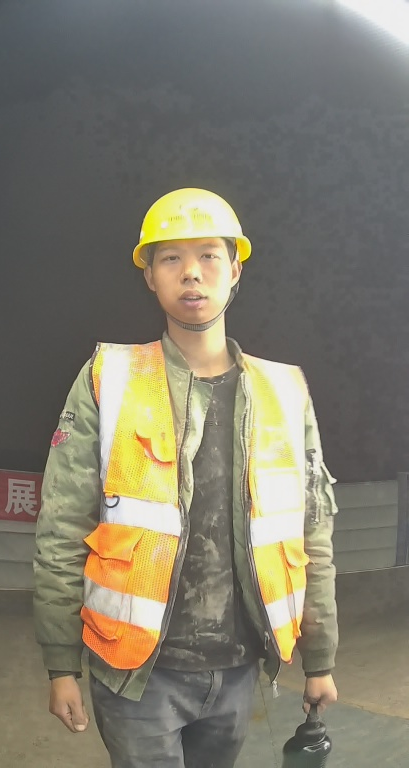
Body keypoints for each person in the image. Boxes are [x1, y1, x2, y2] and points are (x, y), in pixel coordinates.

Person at [33, 188, 338, 768]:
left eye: (209, 256)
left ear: (235, 270)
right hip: (136, 673)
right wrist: (60, 663)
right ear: (150, 276)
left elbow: (312, 535)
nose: (191, 273)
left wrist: (320, 659)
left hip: (240, 667)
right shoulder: (110, 378)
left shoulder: (284, 391)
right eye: (171, 257)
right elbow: (62, 528)